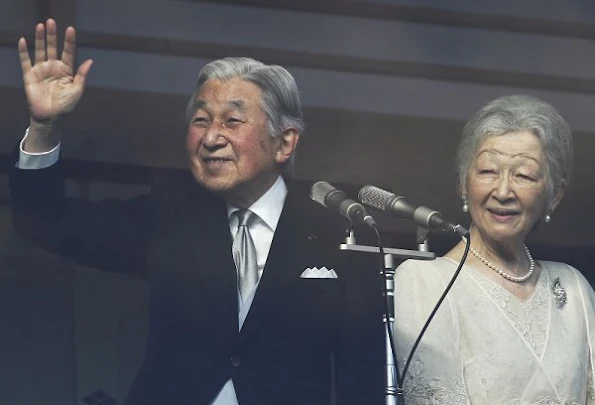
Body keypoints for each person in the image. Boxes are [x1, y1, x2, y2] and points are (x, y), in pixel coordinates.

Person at [10, 19, 385, 405]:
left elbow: (364, 376)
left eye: (232, 121)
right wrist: (44, 125)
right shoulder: (170, 215)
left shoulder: (336, 235)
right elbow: (45, 221)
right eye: (201, 120)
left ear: (284, 143)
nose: (210, 138)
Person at [393, 95, 595, 404]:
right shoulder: (423, 283)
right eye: (488, 171)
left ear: (554, 194)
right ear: (464, 182)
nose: (502, 192)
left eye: (524, 175)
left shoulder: (574, 289)